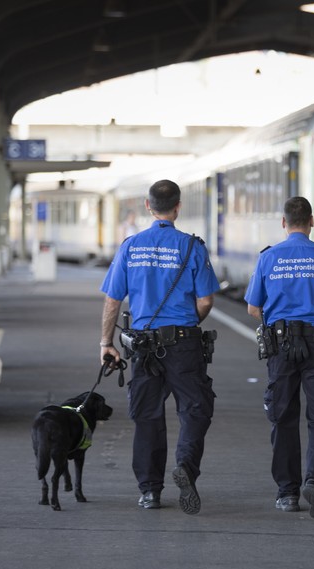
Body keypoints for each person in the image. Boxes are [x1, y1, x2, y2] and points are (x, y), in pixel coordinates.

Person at [99, 179, 220, 514]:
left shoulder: (131, 246)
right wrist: (186, 322)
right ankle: (185, 466)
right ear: (178, 207)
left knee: (147, 416)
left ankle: (150, 491)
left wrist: (106, 343)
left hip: (142, 347)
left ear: (148, 206)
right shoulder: (192, 246)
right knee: (195, 409)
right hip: (183, 344)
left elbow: (112, 301)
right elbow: (206, 300)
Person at [245, 196, 314, 520]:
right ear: (311, 222)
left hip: (280, 346)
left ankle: (287, 493)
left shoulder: (269, 258)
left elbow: (254, 308)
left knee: (283, 416)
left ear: (284, 223)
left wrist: (278, 325)